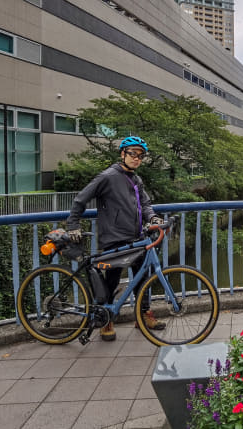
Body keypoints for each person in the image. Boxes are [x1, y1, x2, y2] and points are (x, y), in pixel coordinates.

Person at [66, 135, 165, 340]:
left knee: (142, 277)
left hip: (137, 237)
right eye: (132, 154)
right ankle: (106, 319)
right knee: (111, 280)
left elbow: (145, 205)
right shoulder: (108, 176)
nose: (136, 158)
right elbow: (80, 199)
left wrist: (153, 217)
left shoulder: (137, 179)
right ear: (122, 154)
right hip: (114, 238)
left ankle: (142, 315)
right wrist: (73, 225)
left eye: (140, 155)